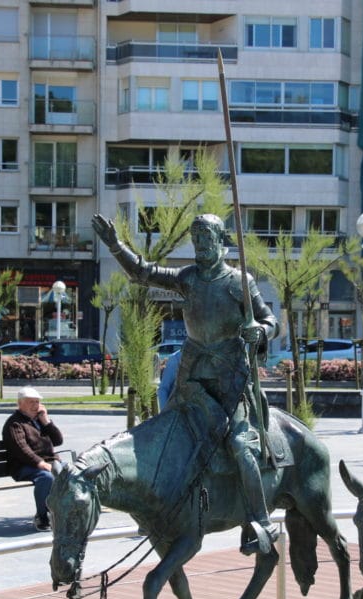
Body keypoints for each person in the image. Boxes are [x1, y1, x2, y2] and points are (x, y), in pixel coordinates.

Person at [93, 212, 281, 555]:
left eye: (207, 239)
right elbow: (143, 272)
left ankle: (260, 521)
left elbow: (270, 319)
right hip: (191, 379)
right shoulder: (188, 278)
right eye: (196, 240)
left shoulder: (239, 282)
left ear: (221, 241)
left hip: (230, 382)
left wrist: (261, 330)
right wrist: (115, 245)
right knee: (166, 439)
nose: (200, 246)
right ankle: (158, 508)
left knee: (241, 448)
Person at [2, 386, 63, 531]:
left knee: (72, 472)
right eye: (31, 402)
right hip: (22, 466)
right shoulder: (14, 423)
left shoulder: (39, 420)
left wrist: (46, 421)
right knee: (46, 477)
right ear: (20, 404)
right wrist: (40, 463)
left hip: (48, 462)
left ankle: (64, 513)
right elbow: (22, 450)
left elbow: (58, 440)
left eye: (37, 402)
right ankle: (42, 516)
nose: (35, 405)